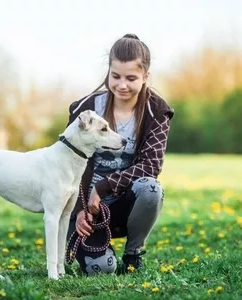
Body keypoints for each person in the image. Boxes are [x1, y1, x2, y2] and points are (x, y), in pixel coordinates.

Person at [66, 33, 174, 276]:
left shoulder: (157, 111)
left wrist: (104, 186)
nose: (121, 85)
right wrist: (78, 209)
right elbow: (67, 162)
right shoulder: (86, 108)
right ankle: (91, 245)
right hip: (86, 207)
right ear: (108, 72)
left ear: (146, 77)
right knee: (101, 270)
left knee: (151, 188)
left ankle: (133, 253)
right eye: (115, 76)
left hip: (125, 203)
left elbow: (151, 164)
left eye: (131, 78)